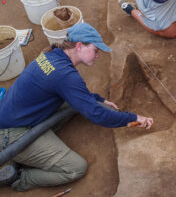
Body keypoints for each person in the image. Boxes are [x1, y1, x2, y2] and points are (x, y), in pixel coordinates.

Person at [0, 23, 153, 191]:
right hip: (11, 133)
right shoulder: (64, 74)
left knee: (76, 104)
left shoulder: (53, 55)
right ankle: (20, 178)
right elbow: (96, 114)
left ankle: (27, 154)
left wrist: (97, 99)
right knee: (75, 168)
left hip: (13, 115)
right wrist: (133, 118)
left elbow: (76, 93)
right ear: (79, 46)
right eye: (95, 50)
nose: (97, 56)